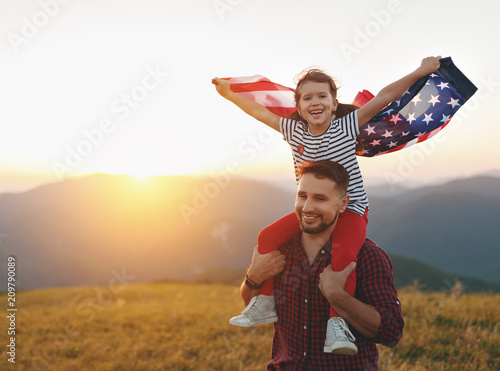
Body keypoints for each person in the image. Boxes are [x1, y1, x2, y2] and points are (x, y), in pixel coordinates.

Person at [212, 56, 439, 354]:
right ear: (299, 106)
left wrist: (421, 70)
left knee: (343, 255)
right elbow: (259, 113)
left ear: (334, 103)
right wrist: (230, 95)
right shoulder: (293, 132)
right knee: (267, 237)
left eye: (322, 96)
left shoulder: (347, 125)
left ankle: (337, 325)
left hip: (352, 208)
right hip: (311, 209)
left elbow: (384, 97)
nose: (315, 101)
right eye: (307, 97)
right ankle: (265, 303)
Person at [239, 160, 404, 370]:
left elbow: (392, 332)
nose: (307, 207)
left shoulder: (367, 256)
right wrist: (253, 278)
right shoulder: (280, 250)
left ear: (343, 203)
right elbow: (250, 305)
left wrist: (338, 296)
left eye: (320, 199)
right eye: (302, 196)